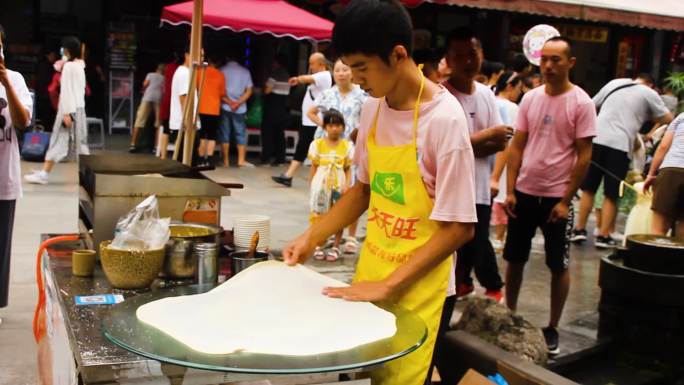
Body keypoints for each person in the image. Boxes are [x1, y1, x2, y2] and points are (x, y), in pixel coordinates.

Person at [283, 2, 476, 385]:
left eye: (361, 67)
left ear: (398, 54)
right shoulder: (373, 109)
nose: (355, 79)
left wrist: (390, 286)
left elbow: (459, 229)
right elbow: (363, 190)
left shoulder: (445, 121)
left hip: (421, 286)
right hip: (373, 270)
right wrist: (311, 237)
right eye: (349, 68)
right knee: (370, 374)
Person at [504, 36, 596, 355]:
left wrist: (564, 199)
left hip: (557, 196)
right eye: (544, 59)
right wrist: (510, 188)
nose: (548, 66)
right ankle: (509, 313)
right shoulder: (530, 99)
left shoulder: (581, 103)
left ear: (570, 63)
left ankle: (553, 325)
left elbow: (584, 155)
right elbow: (517, 145)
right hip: (525, 191)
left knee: (559, 264)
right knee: (515, 258)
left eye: (556, 60)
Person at [443, 27, 510, 302]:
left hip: (480, 189)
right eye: (459, 55)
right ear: (447, 59)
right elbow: (442, 150)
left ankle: (472, 287)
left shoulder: (485, 94)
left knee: (475, 245)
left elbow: (501, 142)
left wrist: (472, 144)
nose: (467, 61)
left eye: (472, 54)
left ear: (481, 55)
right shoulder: (441, 97)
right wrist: (485, 139)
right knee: (452, 251)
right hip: (450, 190)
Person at [571, 73, 672, 248]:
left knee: (589, 188)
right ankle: (603, 235)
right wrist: (646, 115)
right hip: (620, 146)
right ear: (650, 85)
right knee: (612, 193)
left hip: (596, 139)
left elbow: (590, 105)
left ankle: (579, 230)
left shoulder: (614, 83)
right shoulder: (649, 93)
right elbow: (669, 119)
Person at [305, 58, 368, 254]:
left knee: (350, 191)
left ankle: (350, 236)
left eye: (345, 69)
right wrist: (322, 125)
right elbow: (311, 112)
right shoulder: (328, 94)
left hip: (350, 149)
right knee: (325, 192)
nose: (341, 73)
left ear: (352, 72)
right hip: (327, 148)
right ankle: (327, 233)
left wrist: (358, 133)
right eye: (338, 70)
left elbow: (368, 119)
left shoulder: (361, 96)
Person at [0, 24, 32, 325]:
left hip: (3, 181)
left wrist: (6, 83)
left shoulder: (16, 80)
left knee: (0, 248)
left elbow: (22, 122)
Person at [25, 36, 87, 185]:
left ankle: (44, 173)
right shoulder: (80, 66)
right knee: (80, 145)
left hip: (68, 109)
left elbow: (66, 91)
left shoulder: (68, 67)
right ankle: (88, 175)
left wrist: (66, 112)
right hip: (79, 109)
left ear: (68, 50)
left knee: (57, 140)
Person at [272, 53, 332, 185]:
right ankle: (289, 176)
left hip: (315, 121)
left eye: (312, 64)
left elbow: (306, 78)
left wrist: (297, 79)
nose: (310, 67)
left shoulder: (324, 75)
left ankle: (295, 176)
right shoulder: (319, 77)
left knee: (311, 149)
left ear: (321, 64)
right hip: (309, 120)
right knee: (304, 147)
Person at [308, 109, 353, 262]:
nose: (335, 128)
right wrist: (312, 185)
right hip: (321, 184)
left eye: (338, 125)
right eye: (331, 125)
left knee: (338, 215)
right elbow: (314, 166)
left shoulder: (347, 146)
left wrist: (347, 185)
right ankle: (318, 245)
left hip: (338, 184)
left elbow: (348, 169)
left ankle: (335, 245)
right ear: (325, 127)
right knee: (318, 215)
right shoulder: (317, 144)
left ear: (343, 127)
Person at [490, 71, 523, 251]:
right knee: (503, 198)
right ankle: (499, 238)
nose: (519, 93)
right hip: (505, 158)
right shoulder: (512, 108)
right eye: (518, 88)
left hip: (487, 158)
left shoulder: (489, 99)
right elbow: (514, 139)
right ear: (510, 86)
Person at [644, 112, 684, 236]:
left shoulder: (681, 117)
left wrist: (651, 174)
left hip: (671, 171)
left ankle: (657, 255)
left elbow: (663, 146)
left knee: (658, 229)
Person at [219, 48, 254, 167]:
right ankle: (241, 160)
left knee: (225, 133)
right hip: (240, 108)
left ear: (227, 58)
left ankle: (226, 161)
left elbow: (219, 91)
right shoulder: (245, 72)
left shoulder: (221, 70)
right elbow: (249, 90)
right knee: (240, 133)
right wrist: (238, 103)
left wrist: (229, 102)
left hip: (225, 106)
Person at [168, 47, 200, 159]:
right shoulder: (185, 73)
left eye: (202, 55)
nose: (201, 58)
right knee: (187, 160)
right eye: (199, 55)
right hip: (185, 125)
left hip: (184, 123)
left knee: (186, 160)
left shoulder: (185, 72)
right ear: (187, 55)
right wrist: (188, 123)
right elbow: (184, 98)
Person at [196, 54, 227, 167]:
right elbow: (222, 93)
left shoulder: (199, 72)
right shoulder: (220, 75)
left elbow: (195, 88)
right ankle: (208, 159)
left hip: (201, 108)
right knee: (212, 135)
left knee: (202, 134)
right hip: (214, 109)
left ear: (208, 60)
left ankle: (200, 159)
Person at [260, 54, 291, 166]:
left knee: (268, 134)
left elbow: (267, 90)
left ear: (277, 63)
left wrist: (263, 87)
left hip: (272, 108)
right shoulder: (287, 75)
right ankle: (280, 159)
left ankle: (266, 159)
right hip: (282, 108)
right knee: (280, 135)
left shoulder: (275, 75)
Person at [130, 63, 165, 152]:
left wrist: (142, 90)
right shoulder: (164, 78)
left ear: (157, 69)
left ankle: (133, 144)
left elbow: (145, 84)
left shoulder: (150, 74)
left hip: (147, 96)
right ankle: (156, 147)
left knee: (139, 120)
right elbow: (163, 90)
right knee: (158, 123)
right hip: (158, 97)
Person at [158, 52, 182, 159]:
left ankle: (163, 155)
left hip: (167, 100)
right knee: (179, 131)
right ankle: (176, 156)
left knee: (165, 130)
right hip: (177, 102)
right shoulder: (183, 70)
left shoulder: (169, 67)